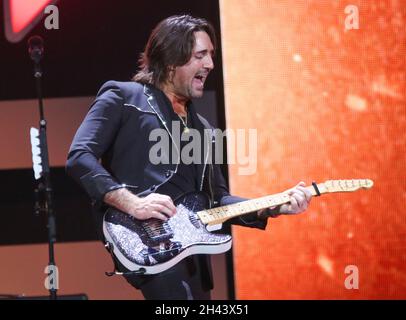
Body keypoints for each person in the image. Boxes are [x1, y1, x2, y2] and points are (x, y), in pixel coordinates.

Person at [66, 14, 312, 300]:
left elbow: (217, 200)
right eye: (200, 55)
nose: (210, 64)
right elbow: (80, 157)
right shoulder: (123, 97)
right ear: (171, 60)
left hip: (194, 257)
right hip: (150, 241)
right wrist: (133, 203)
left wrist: (272, 205)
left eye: (211, 55)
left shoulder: (204, 129)